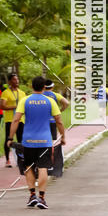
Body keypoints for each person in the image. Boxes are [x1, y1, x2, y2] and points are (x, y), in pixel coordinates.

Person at [9, 76, 66, 208]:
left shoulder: (25, 100)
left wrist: (10, 138)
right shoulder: (50, 101)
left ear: (31, 86)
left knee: (28, 167)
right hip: (45, 141)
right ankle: (41, 198)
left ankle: (31, 196)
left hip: (28, 141)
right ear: (44, 87)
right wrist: (63, 136)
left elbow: (16, 120)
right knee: (43, 168)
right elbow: (59, 120)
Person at [44, 80, 69, 179]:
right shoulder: (55, 95)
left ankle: (44, 164)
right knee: (54, 142)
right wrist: (59, 110)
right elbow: (66, 103)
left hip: (43, 122)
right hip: (53, 121)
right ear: (52, 87)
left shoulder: (40, 95)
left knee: (44, 142)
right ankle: (57, 163)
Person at [1, 73, 26, 167]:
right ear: (10, 81)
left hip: (20, 120)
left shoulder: (22, 92)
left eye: (17, 79)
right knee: (8, 139)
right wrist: (15, 107)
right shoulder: (6, 92)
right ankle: (7, 160)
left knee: (21, 140)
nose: (17, 81)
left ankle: (21, 159)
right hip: (10, 120)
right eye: (14, 79)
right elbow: (2, 106)